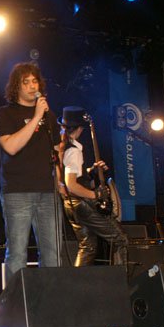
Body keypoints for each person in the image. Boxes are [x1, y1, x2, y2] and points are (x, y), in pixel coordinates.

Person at [0, 62, 61, 283]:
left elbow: (56, 152)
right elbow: (11, 146)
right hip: (17, 192)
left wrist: (60, 183)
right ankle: (15, 301)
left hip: (48, 192)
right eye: (26, 82)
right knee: (17, 254)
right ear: (16, 86)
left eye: (35, 81)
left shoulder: (50, 117)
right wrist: (36, 117)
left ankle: (49, 300)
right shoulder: (5, 114)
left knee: (53, 253)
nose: (33, 86)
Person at [59, 106, 128, 267]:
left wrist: (91, 171)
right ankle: (120, 279)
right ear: (80, 128)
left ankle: (78, 282)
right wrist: (95, 195)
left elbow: (74, 177)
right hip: (80, 204)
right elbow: (71, 185)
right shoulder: (74, 151)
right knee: (120, 239)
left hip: (71, 204)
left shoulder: (65, 147)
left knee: (88, 246)